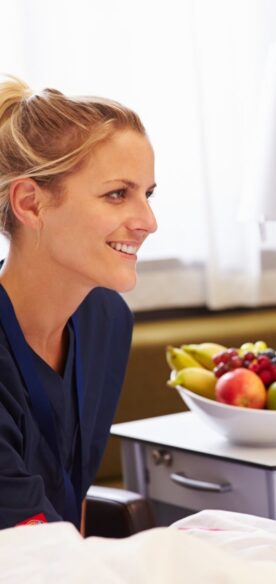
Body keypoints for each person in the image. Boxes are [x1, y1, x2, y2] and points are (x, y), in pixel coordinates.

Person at [0, 76, 157, 529]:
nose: (148, 221)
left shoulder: (104, 321)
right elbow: (30, 546)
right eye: (116, 194)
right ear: (31, 204)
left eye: (148, 194)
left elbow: (72, 491)